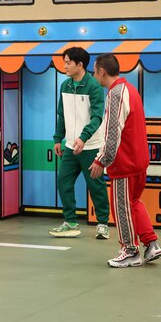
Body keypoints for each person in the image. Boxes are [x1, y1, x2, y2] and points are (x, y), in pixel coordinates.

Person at [89, 54, 161, 268]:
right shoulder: (130, 89)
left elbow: (113, 133)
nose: (94, 75)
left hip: (124, 163)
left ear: (102, 71)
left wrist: (101, 160)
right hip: (139, 160)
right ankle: (151, 244)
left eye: (95, 71)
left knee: (121, 207)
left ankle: (130, 251)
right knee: (133, 203)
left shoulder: (115, 94)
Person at [49, 47, 110, 239]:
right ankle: (70, 221)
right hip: (70, 145)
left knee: (96, 186)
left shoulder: (94, 86)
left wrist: (83, 137)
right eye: (65, 62)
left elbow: (97, 117)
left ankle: (102, 223)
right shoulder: (64, 86)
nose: (65, 66)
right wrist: (58, 138)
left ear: (80, 64)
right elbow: (62, 114)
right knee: (63, 181)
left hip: (91, 146)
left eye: (68, 62)